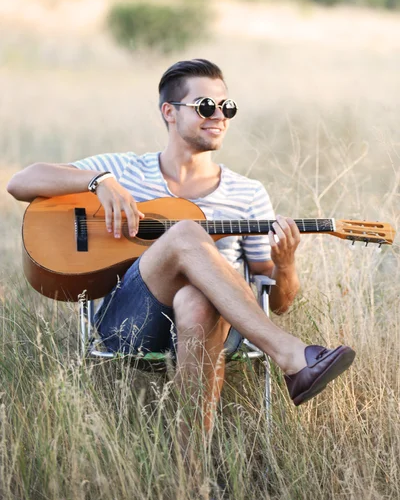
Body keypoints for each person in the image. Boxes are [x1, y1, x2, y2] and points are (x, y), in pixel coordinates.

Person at [7, 58, 355, 441]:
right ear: (169, 112)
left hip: (216, 326)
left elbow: (282, 300)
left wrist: (285, 265)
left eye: (227, 108)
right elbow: (22, 182)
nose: (219, 116)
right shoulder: (123, 171)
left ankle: (192, 478)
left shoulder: (248, 193)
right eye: (206, 106)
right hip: (130, 323)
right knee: (188, 229)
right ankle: (290, 355)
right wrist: (99, 181)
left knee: (196, 299)